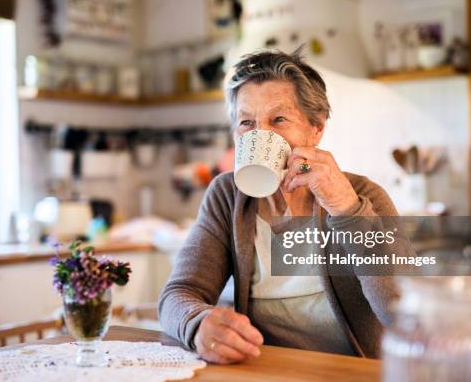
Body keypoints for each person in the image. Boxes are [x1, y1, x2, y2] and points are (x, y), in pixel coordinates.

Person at [158, 48, 415, 364]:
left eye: (278, 119)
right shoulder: (228, 196)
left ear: (316, 128)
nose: (261, 134)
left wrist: (345, 208)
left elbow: (404, 313)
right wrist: (198, 324)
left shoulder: (362, 195)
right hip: (265, 371)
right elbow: (177, 295)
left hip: (350, 373)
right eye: (246, 123)